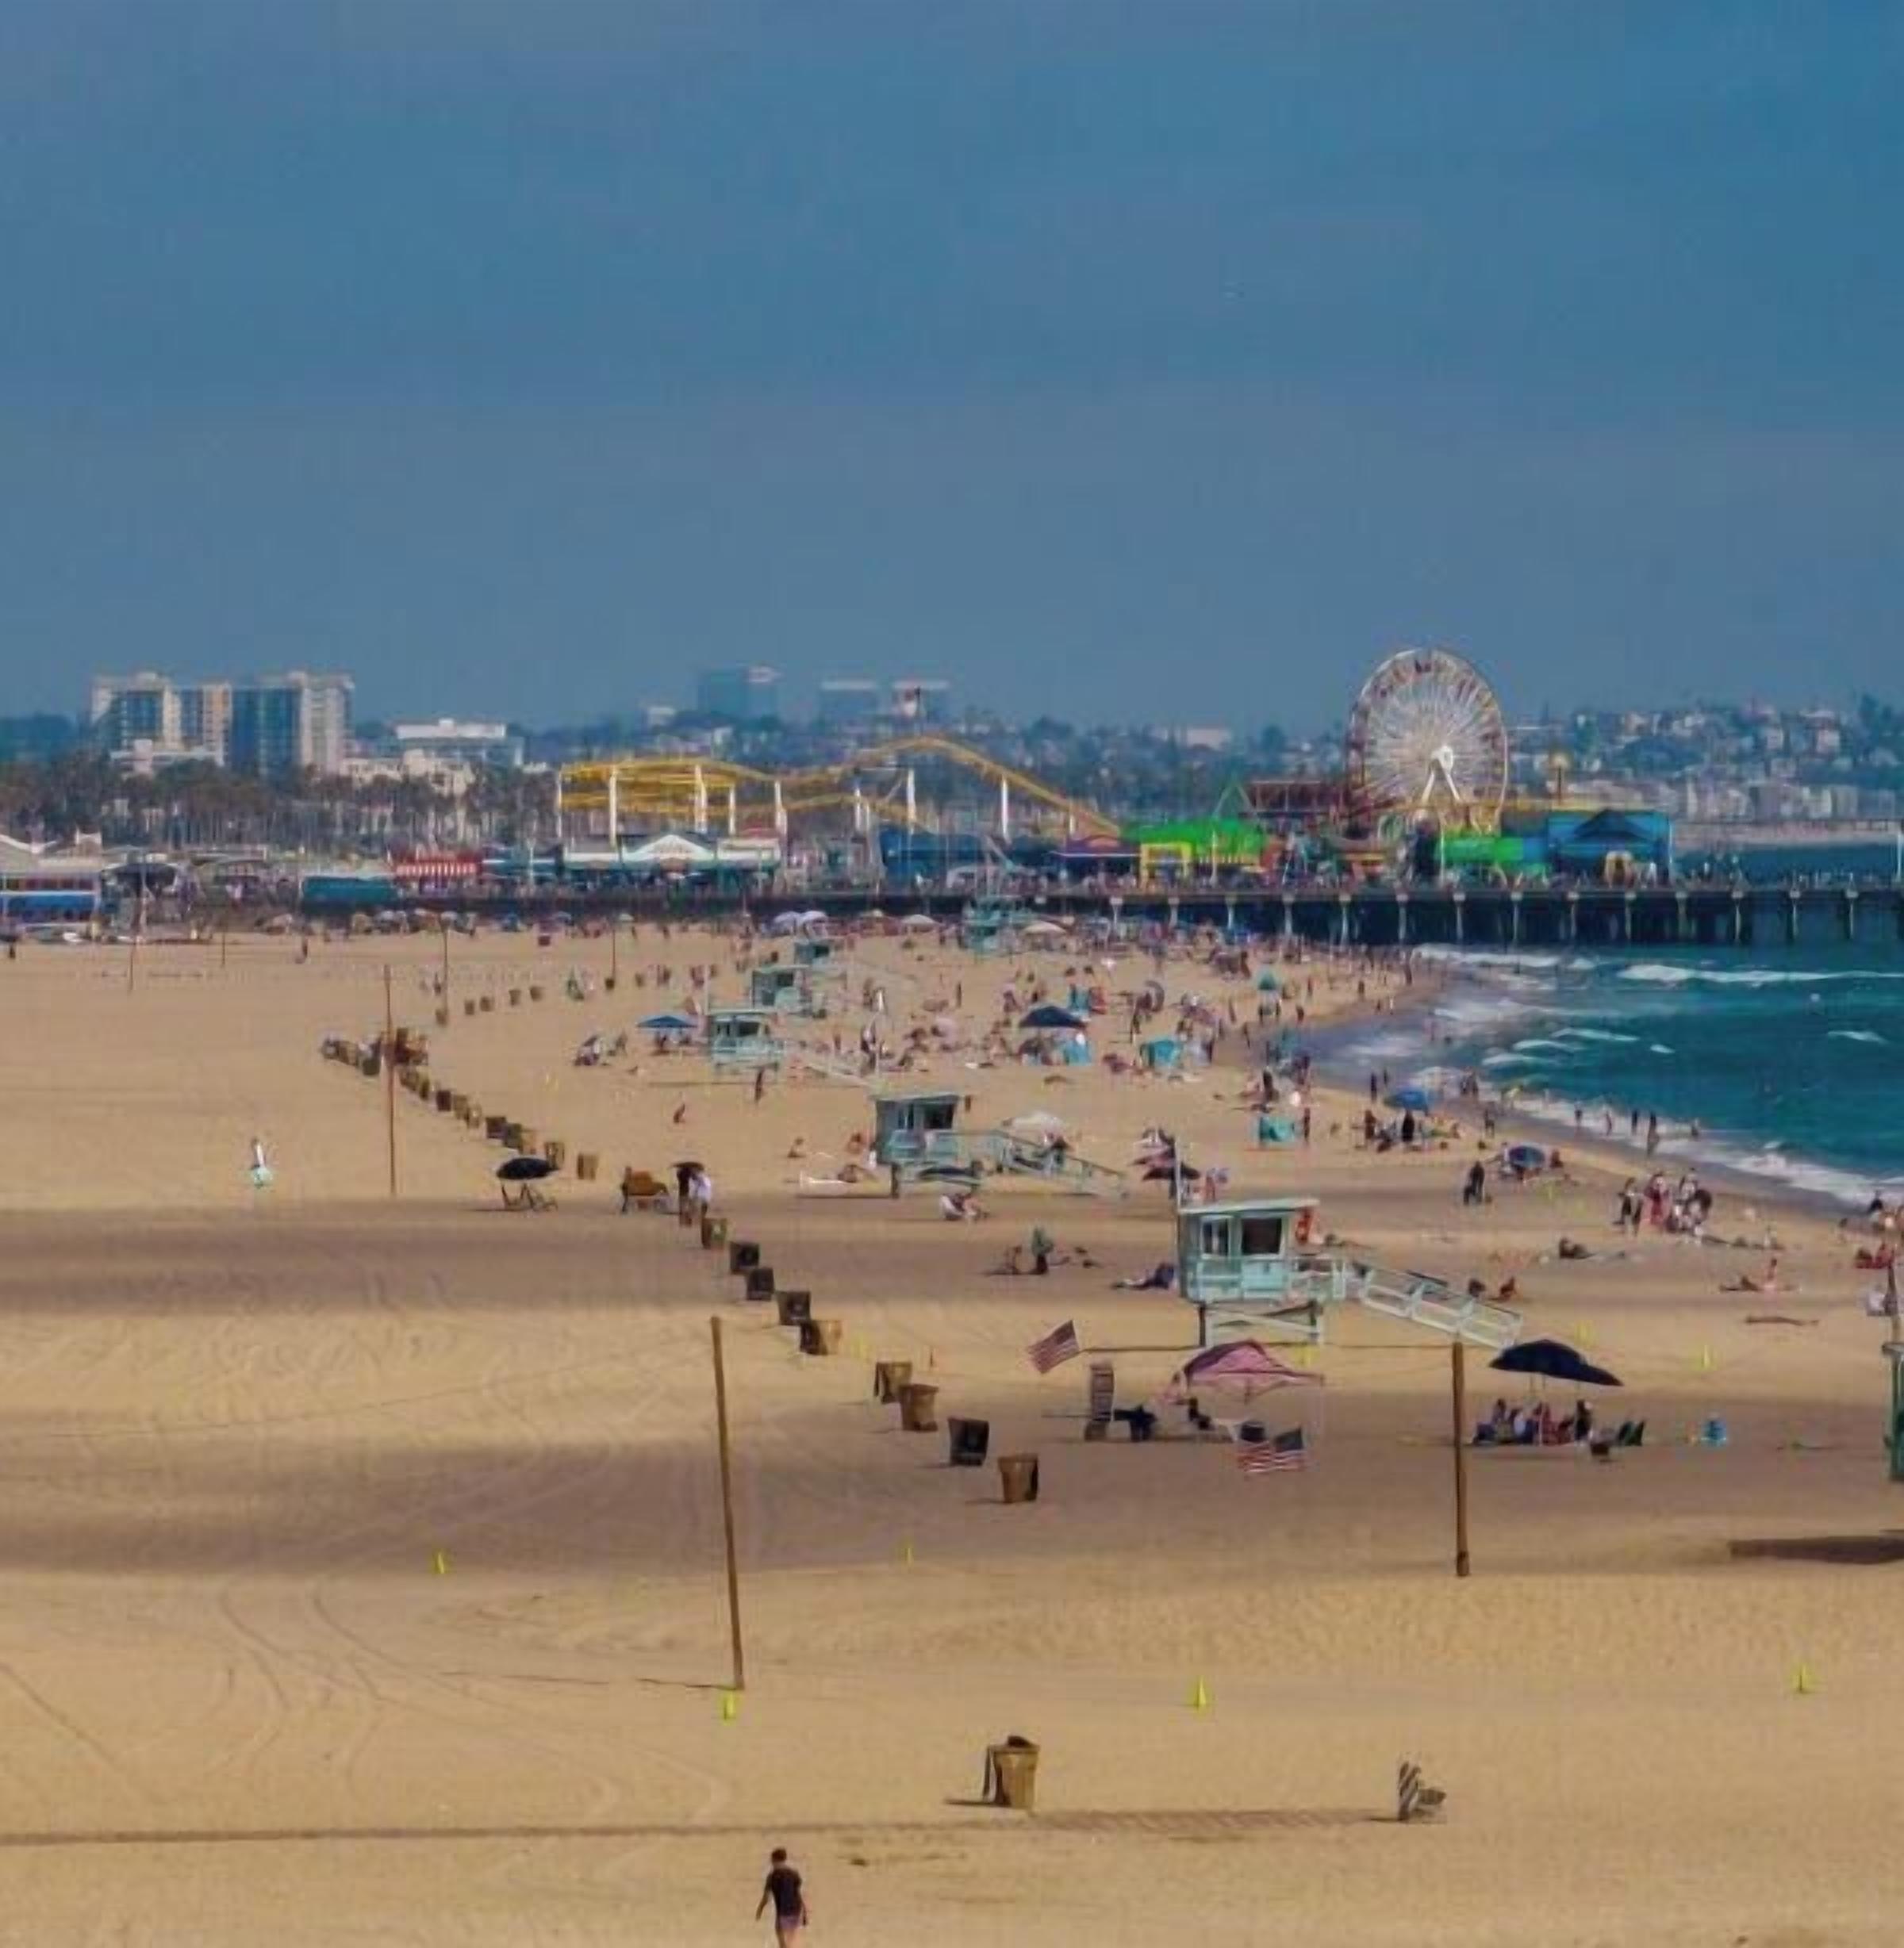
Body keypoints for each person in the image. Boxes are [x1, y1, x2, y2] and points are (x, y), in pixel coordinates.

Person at [756, 1848, 808, 1945]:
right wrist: (805, 1912)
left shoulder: (772, 1876)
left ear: (774, 1860)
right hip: (797, 1910)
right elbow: (798, 1893)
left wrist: (759, 1910)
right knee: (791, 1941)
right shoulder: (794, 1874)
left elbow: (766, 1898)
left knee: (782, 1942)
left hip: (783, 1912)